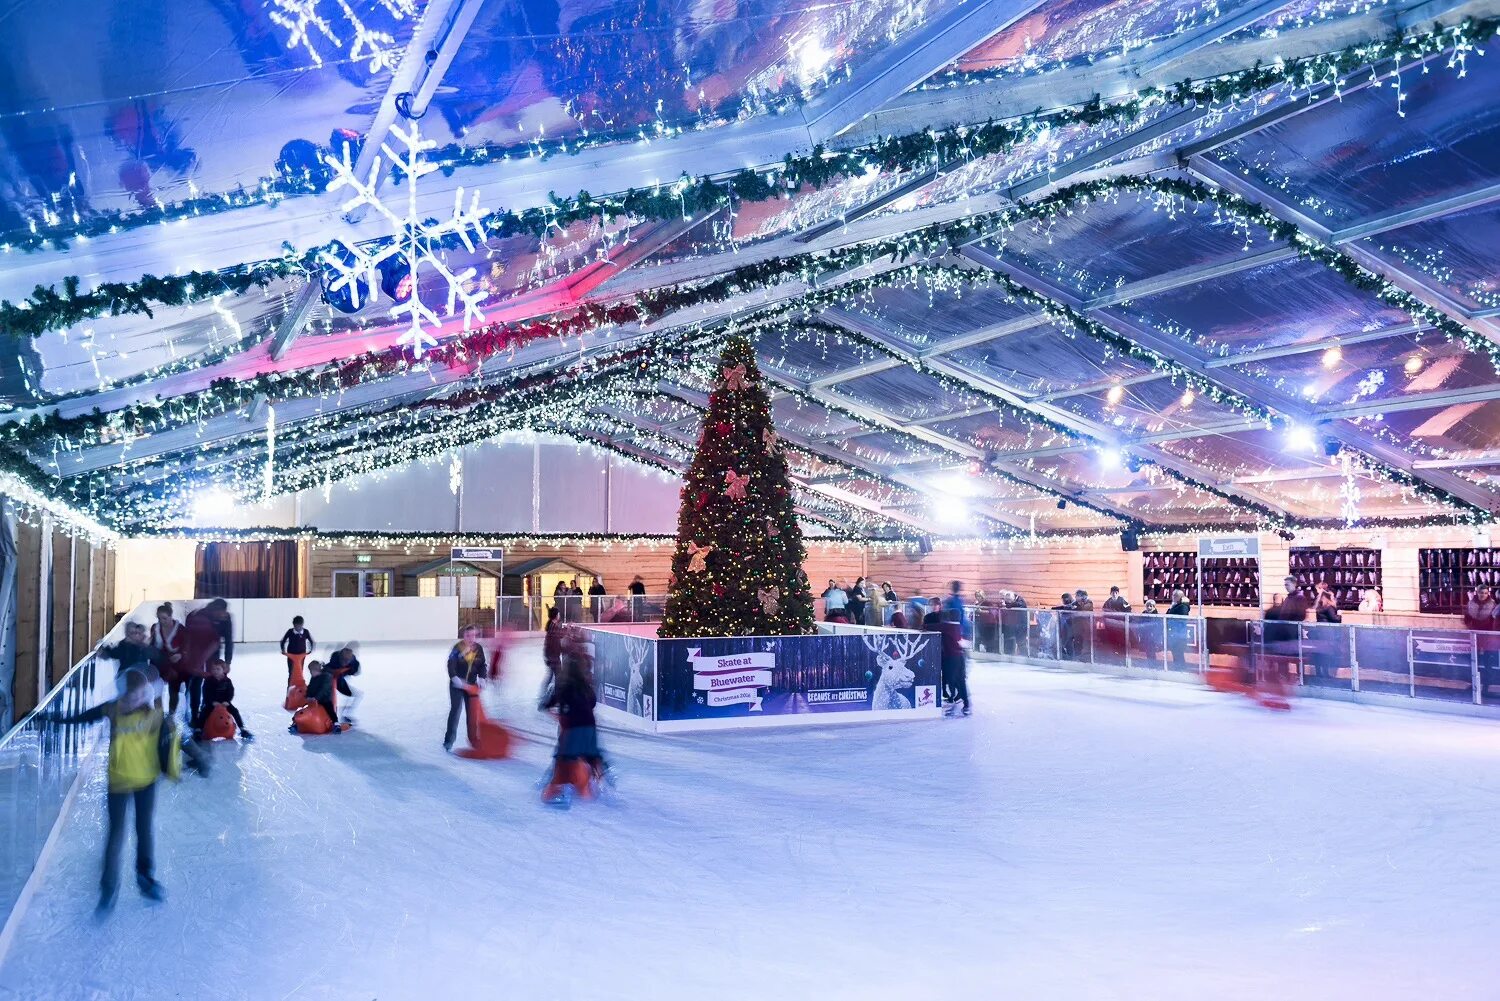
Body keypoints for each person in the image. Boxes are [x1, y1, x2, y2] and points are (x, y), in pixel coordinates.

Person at [56, 669, 168, 911]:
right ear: (122, 694)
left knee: (144, 828)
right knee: (116, 833)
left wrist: (197, 759)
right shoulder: (112, 709)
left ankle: (145, 877)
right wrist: (52, 719)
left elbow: (175, 743)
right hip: (118, 782)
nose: (135, 700)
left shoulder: (155, 715)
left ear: (146, 693)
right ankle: (108, 886)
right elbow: (81, 718)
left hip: (146, 781)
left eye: (139, 695)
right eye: (130, 696)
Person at [542, 636, 609, 803]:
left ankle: (558, 788)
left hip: (572, 729)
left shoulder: (563, 685)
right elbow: (592, 703)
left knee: (564, 760)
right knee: (592, 755)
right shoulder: (586, 685)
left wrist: (558, 716)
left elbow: (546, 704)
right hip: (589, 727)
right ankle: (600, 784)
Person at [181, 598, 233, 723]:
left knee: (212, 680)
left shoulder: (225, 618)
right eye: (220, 613)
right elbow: (189, 638)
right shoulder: (200, 616)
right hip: (196, 650)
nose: (222, 615)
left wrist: (227, 661)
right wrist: (189, 657)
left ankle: (207, 709)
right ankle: (194, 714)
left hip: (213, 650)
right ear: (213, 610)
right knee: (196, 681)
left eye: (224, 613)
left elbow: (228, 639)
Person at [445, 626, 488, 752]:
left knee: (472, 714)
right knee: (455, 711)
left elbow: (482, 665)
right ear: (464, 636)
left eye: (473, 635)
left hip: (471, 686)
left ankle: (474, 740)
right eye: (468, 635)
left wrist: (482, 678)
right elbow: (451, 664)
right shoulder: (457, 648)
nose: (471, 638)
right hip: (457, 685)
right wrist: (454, 678)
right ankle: (449, 741)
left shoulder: (478, 648)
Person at [100, 622, 167, 702]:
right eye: (132, 633)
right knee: (128, 698)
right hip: (126, 677)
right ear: (127, 634)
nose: (136, 635)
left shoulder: (143, 646)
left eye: (137, 633)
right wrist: (104, 651)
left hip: (140, 678)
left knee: (149, 691)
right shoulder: (124, 645)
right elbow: (113, 653)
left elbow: (156, 655)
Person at [194, 659, 252, 741]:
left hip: (224, 702)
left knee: (235, 711)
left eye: (218, 669)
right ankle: (198, 730)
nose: (215, 671)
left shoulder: (227, 681)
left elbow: (230, 692)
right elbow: (206, 693)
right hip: (211, 702)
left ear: (223, 670)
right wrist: (212, 702)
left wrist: (227, 701)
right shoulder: (208, 680)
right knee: (204, 712)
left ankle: (242, 729)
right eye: (214, 669)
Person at [147, 603, 185, 713]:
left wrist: (180, 654)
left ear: (171, 616)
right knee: (157, 691)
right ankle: (159, 716)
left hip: (174, 664)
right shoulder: (155, 627)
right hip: (158, 663)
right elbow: (152, 645)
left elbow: (187, 645)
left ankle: (171, 716)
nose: (161, 621)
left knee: (173, 691)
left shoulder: (180, 629)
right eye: (159, 618)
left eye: (164, 618)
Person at [299, 661, 340, 734]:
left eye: (312, 671)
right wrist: (308, 696)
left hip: (324, 699)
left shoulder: (326, 677)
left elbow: (324, 689)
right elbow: (310, 688)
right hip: (313, 700)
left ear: (317, 670)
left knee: (329, 708)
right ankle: (298, 723)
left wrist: (317, 697)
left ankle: (336, 724)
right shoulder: (313, 678)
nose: (311, 673)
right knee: (304, 708)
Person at [328, 645, 362, 726]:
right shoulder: (334, 659)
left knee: (357, 695)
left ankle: (345, 715)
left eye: (347, 660)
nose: (345, 662)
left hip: (339, 682)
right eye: (343, 660)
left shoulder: (354, 662)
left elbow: (355, 672)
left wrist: (349, 670)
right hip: (328, 682)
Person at [280, 615, 315, 681]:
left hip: (301, 655)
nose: (298, 628)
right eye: (296, 626)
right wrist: (283, 650)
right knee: (291, 671)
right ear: (293, 625)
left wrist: (310, 650)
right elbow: (283, 641)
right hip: (291, 655)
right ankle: (290, 686)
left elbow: (311, 641)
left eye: (299, 626)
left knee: (300, 671)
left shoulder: (305, 632)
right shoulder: (290, 631)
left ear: (302, 624)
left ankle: (299, 685)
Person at [1166, 589, 1192, 668]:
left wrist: (1172, 609)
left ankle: (1181, 668)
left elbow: (1180, 618)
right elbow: (1167, 615)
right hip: (1174, 633)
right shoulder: (1175, 605)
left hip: (1179, 634)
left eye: (1174, 595)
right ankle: (1177, 668)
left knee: (1179, 652)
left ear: (1179, 597)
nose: (1172, 597)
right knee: (1175, 652)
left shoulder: (1183, 606)